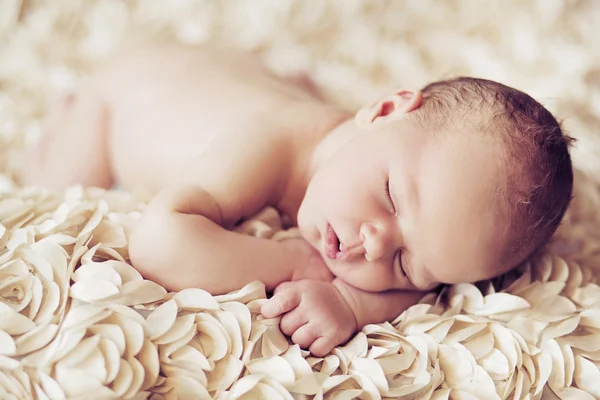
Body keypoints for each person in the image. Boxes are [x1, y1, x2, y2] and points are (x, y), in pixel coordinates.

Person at [23, 42, 574, 356]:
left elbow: (423, 297)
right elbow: (160, 242)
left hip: (233, 75)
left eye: (407, 263)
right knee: (48, 190)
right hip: (120, 95)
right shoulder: (269, 143)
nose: (374, 247)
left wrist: (352, 303)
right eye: (391, 198)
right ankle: (65, 117)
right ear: (383, 110)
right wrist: (294, 263)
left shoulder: (378, 167)